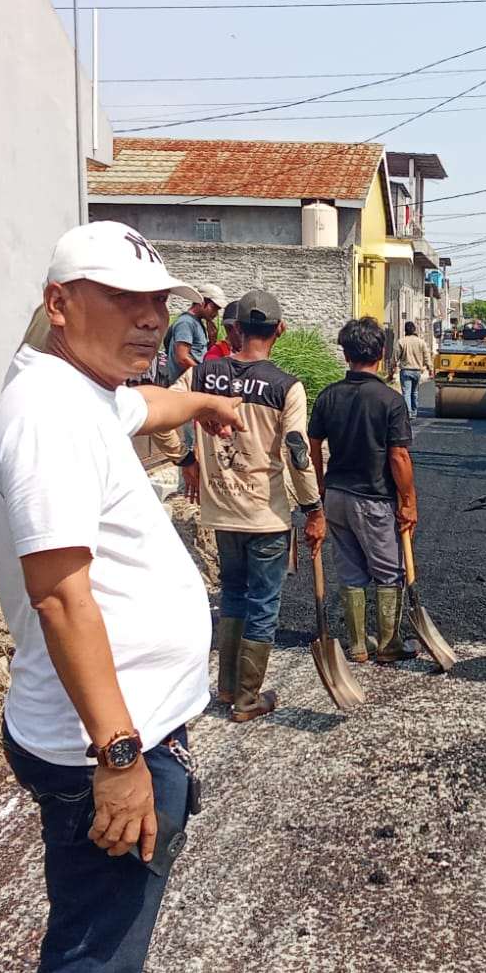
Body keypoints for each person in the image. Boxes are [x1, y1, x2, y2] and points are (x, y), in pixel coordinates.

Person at [0, 221, 250, 973]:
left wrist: (206, 404)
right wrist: (121, 760)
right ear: (60, 305)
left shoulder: (86, 389)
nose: (147, 321)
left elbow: (152, 407)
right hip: (103, 742)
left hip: (123, 727)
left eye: (156, 305)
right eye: (122, 301)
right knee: (91, 965)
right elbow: (62, 598)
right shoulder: (49, 417)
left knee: (98, 939)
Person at [172, 289, 323, 722]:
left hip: (220, 511)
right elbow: (297, 449)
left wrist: (185, 460)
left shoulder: (201, 375)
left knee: (233, 595)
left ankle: (226, 686)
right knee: (263, 603)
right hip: (265, 513)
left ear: (235, 329)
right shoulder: (285, 386)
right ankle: (247, 699)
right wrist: (313, 507)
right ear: (280, 330)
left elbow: (163, 410)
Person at [309, 317, 420, 664]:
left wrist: (321, 486)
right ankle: (389, 643)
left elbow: (313, 447)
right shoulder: (390, 400)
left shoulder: (328, 396)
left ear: (346, 355)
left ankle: (357, 645)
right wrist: (409, 501)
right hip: (373, 499)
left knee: (351, 569)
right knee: (389, 571)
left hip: (337, 496)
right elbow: (399, 456)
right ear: (383, 353)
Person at [393, 320, 434, 418]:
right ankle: (414, 411)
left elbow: (395, 357)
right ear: (414, 330)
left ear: (405, 330)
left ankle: (408, 412)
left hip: (406, 370)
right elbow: (427, 357)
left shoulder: (401, 341)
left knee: (406, 392)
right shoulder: (421, 342)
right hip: (417, 371)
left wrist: (393, 368)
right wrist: (430, 369)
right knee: (414, 392)